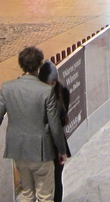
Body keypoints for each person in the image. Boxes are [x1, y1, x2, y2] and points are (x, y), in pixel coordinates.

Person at [0, 45, 70, 202]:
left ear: (21, 64)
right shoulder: (46, 91)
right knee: (45, 196)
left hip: (18, 151)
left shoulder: (7, 88)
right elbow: (55, 125)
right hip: (42, 153)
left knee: (27, 194)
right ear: (39, 66)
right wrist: (61, 150)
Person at [37, 60, 71, 202]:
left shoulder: (62, 92)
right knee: (43, 185)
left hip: (56, 144)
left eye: (53, 82)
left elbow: (59, 124)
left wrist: (60, 150)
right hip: (42, 145)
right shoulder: (37, 95)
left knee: (57, 180)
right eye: (48, 83)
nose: (51, 85)